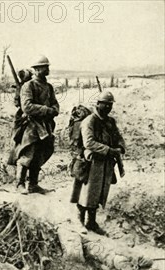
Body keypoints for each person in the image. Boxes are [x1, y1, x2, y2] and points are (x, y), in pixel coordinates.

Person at [70, 91, 125, 235]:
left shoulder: (110, 121)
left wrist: (120, 147)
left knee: (99, 193)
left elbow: (118, 136)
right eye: (104, 104)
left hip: (106, 163)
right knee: (86, 193)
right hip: (91, 162)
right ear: (98, 104)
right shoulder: (89, 121)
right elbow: (89, 142)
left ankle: (92, 222)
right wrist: (108, 150)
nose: (107, 107)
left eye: (110, 105)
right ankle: (79, 222)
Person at [13, 56, 59, 194]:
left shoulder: (49, 87)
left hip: (45, 125)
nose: (47, 69)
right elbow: (26, 106)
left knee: (40, 153)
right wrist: (46, 110)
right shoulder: (29, 86)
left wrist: (55, 109)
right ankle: (19, 184)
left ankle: (33, 185)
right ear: (37, 69)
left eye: (47, 67)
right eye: (45, 67)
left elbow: (54, 103)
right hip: (31, 125)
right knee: (28, 152)